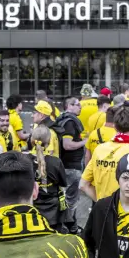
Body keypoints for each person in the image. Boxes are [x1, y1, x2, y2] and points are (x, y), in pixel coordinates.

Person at [81, 107, 129, 202]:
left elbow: (83, 185)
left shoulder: (99, 149)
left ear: (114, 126)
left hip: (103, 212)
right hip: (126, 212)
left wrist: (102, 204)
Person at [29, 126, 70, 232]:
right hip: (53, 211)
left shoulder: (24, 160)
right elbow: (62, 183)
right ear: (48, 142)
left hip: (31, 208)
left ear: (32, 140)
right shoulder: (55, 162)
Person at [58, 96, 85, 228]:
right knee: (71, 200)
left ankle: (70, 225)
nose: (80, 107)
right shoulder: (70, 122)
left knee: (67, 198)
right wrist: (86, 141)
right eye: (77, 105)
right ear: (69, 106)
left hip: (65, 165)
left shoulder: (62, 119)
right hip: (71, 166)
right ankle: (70, 227)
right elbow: (67, 145)